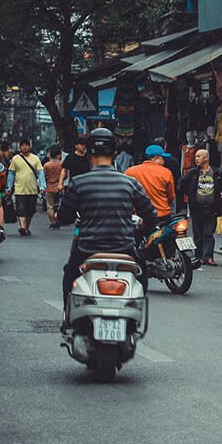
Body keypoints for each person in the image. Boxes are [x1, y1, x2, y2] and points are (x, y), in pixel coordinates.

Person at [56, 128, 155, 324]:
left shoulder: (79, 182)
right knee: (142, 275)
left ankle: (69, 317)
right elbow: (150, 214)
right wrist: (144, 226)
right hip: (124, 248)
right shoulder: (129, 183)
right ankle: (135, 322)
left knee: (69, 275)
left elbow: (64, 216)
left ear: (88, 153)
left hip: (87, 249)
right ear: (115, 153)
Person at [178, 149, 222, 265]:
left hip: (211, 208)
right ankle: (199, 256)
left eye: (199, 156)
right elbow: (181, 184)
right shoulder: (193, 173)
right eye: (195, 156)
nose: (196, 159)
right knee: (198, 233)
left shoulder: (217, 173)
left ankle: (208, 257)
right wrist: (190, 193)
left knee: (209, 233)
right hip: (197, 208)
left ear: (206, 158)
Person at [7, 138, 45, 236]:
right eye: (22, 145)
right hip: (19, 189)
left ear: (29, 146)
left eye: (26, 145)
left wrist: (42, 186)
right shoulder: (15, 159)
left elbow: (40, 173)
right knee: (20, 209)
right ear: (20, 147)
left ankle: (26, 227)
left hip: (32, 189)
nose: (24, 147)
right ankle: (22, 227)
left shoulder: (35, 158)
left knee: (30, 210)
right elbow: (11, 174)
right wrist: (9, 187)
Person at [125, 145, 176, 219]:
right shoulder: (166, 173)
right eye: (163, 158)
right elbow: (171, 197)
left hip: (139, 216)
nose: (164, 161)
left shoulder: (130, 171)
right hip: (161, 215)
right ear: (156, 158)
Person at [43, 146, 64, 229]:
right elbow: (65, 175)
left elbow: (44, 176)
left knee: (50, 206)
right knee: (59, 205)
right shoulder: (62, 165)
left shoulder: (47, 165)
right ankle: (57, 218)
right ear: (59, 155)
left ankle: (52, 220)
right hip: (59, 187)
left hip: (49, 187)